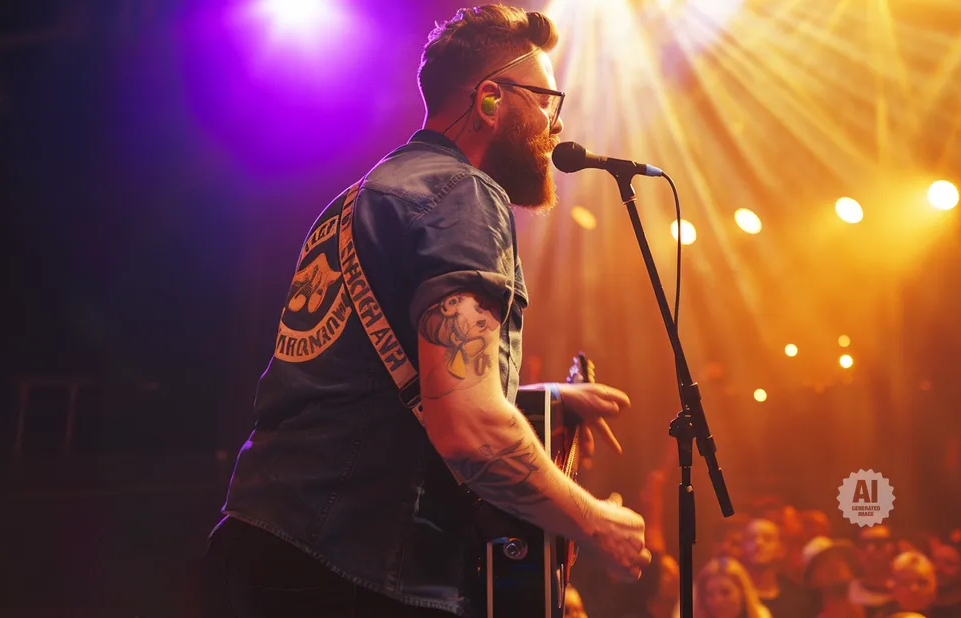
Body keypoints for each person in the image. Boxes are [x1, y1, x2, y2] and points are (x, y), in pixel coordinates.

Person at [206, 5, 652, 618]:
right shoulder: (464, 195)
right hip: (355, 567)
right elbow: (468, 428)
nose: (556, 121)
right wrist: (594, 522)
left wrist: (536, 399)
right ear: (491, 98)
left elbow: (370, 385)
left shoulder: (359, 198)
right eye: (547, 98)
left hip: (266, 541)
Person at [740, 518, 819, 618]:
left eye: (767, 538)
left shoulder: (797, 597)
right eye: (751, 538)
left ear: (781, 549)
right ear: (742, 547)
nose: (758, 543)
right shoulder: (730, 594)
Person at [694, 557, 772, 618]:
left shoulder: (761, 615)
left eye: (725, 592)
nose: (717, 601)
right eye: (710, 594)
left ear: (742, 592)